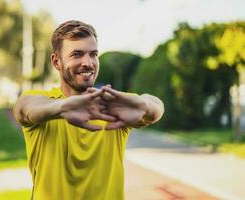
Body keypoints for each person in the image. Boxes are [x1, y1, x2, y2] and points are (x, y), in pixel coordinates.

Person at [13, 20, 164, 200]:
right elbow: (26, 108)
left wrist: (143, 106)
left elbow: (155, 106)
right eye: (77, 54)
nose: (88, 62)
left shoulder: (112, 105)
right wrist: (62, 108)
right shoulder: (46, 104)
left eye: (93, 54)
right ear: (56, 61)